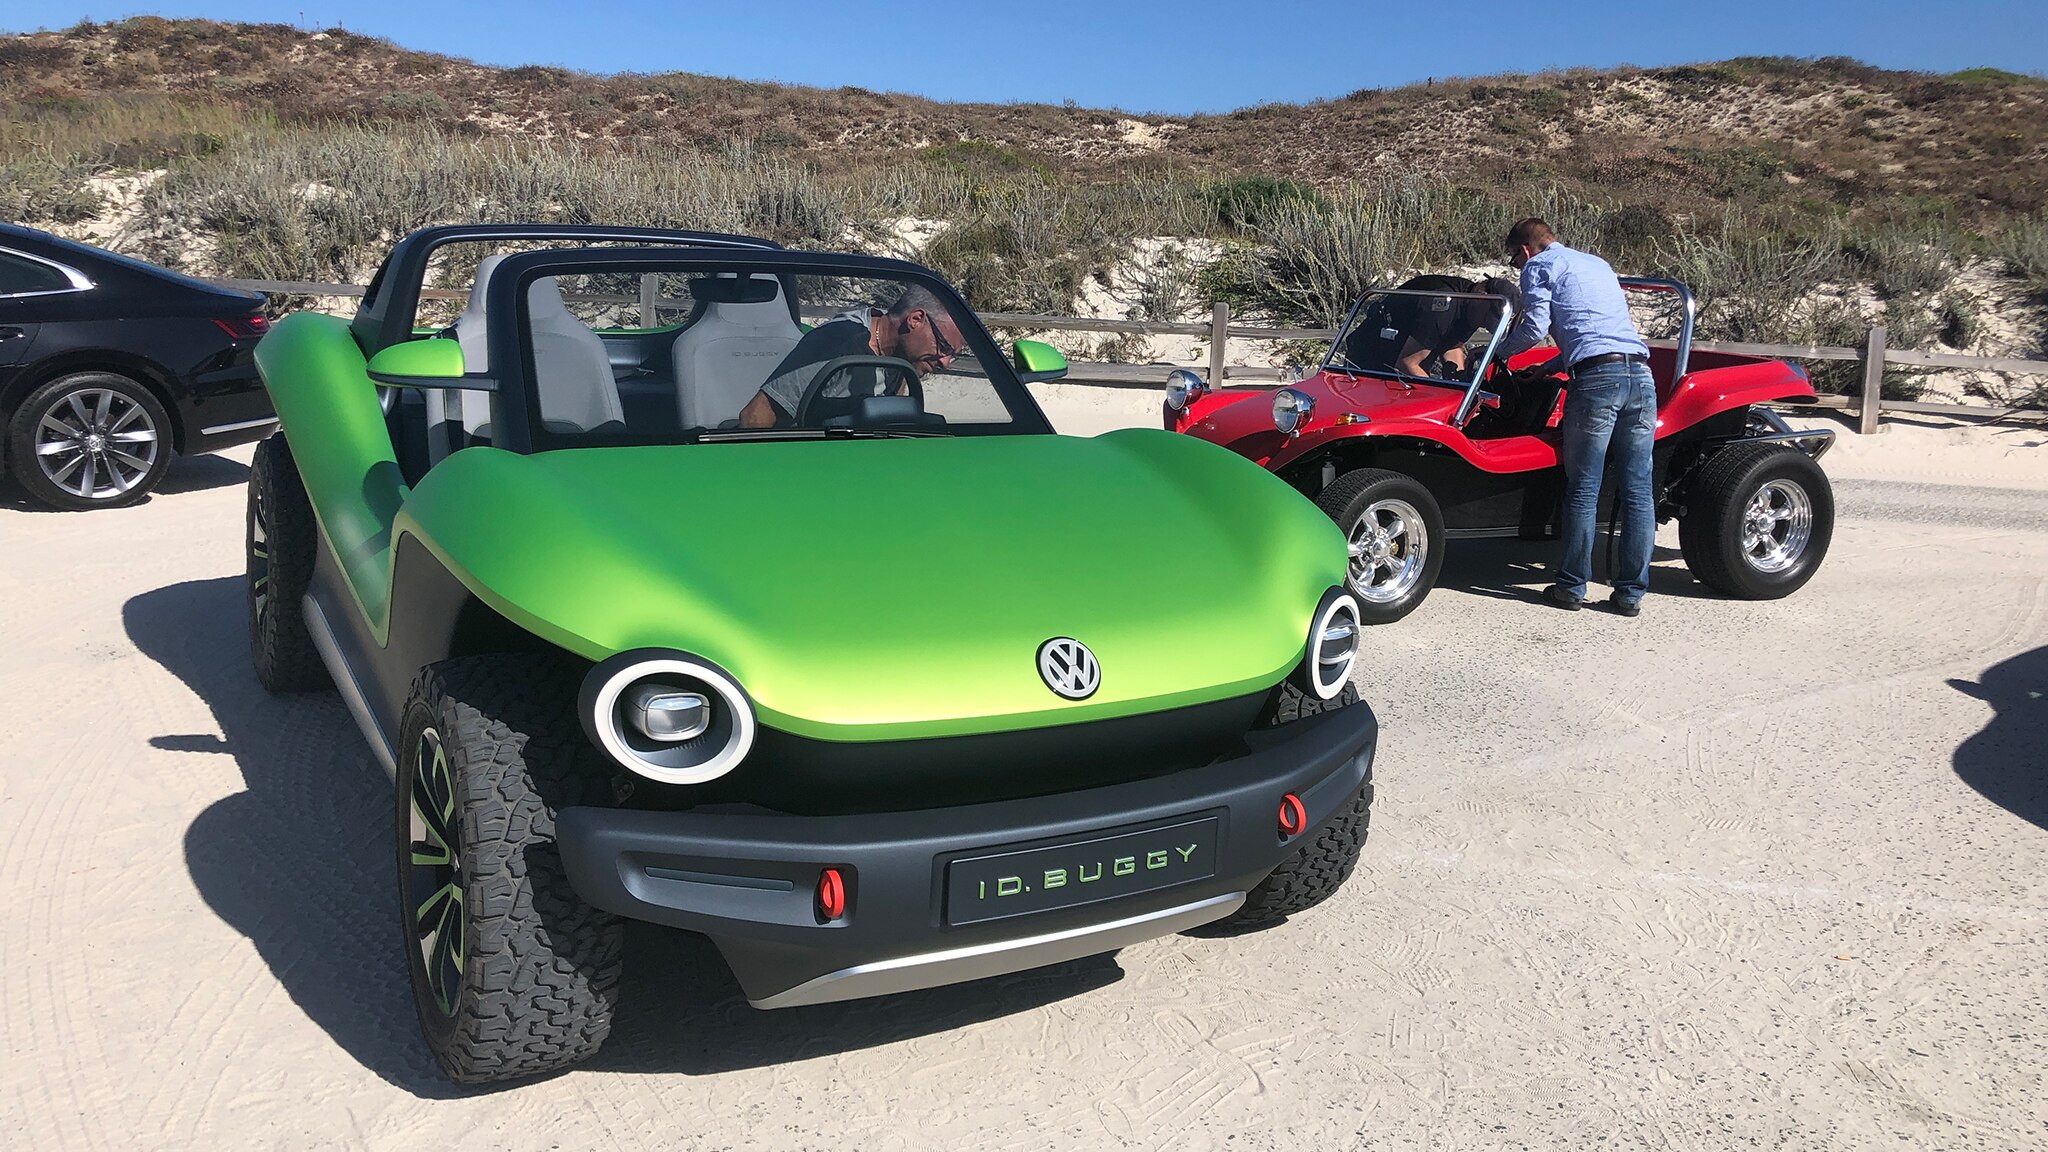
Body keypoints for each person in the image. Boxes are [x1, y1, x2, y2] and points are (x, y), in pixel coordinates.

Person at [1495, 217, 1655, 617]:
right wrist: (1548, 370)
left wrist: (1498, 353)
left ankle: (1571, 586)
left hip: (1596, 382)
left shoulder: (1539, 266)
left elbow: (1535, 326)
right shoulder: (1597, 264)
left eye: (1514, 259)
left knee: (1583, 486)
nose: (1518, 266)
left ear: (1526, 250)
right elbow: (1595, 332)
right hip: (1640, 375)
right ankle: (1631, 594)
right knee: (1638, 489)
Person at [738, 285, 966, 428]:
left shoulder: (902, 357)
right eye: (943, 346)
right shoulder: (838, 341)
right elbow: (755, 417)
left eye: (953, 355)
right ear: (915, 319)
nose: (945, 362)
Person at [1340, 274, 1520, 380]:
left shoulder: (1471, 305)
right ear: (1483, 294)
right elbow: (1407, 364)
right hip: (1368, 366)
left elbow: (1453, 345)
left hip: (1398, 367)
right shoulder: (1443, 305)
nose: (1483, 323)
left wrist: (1459, 381)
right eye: (1486, 317)